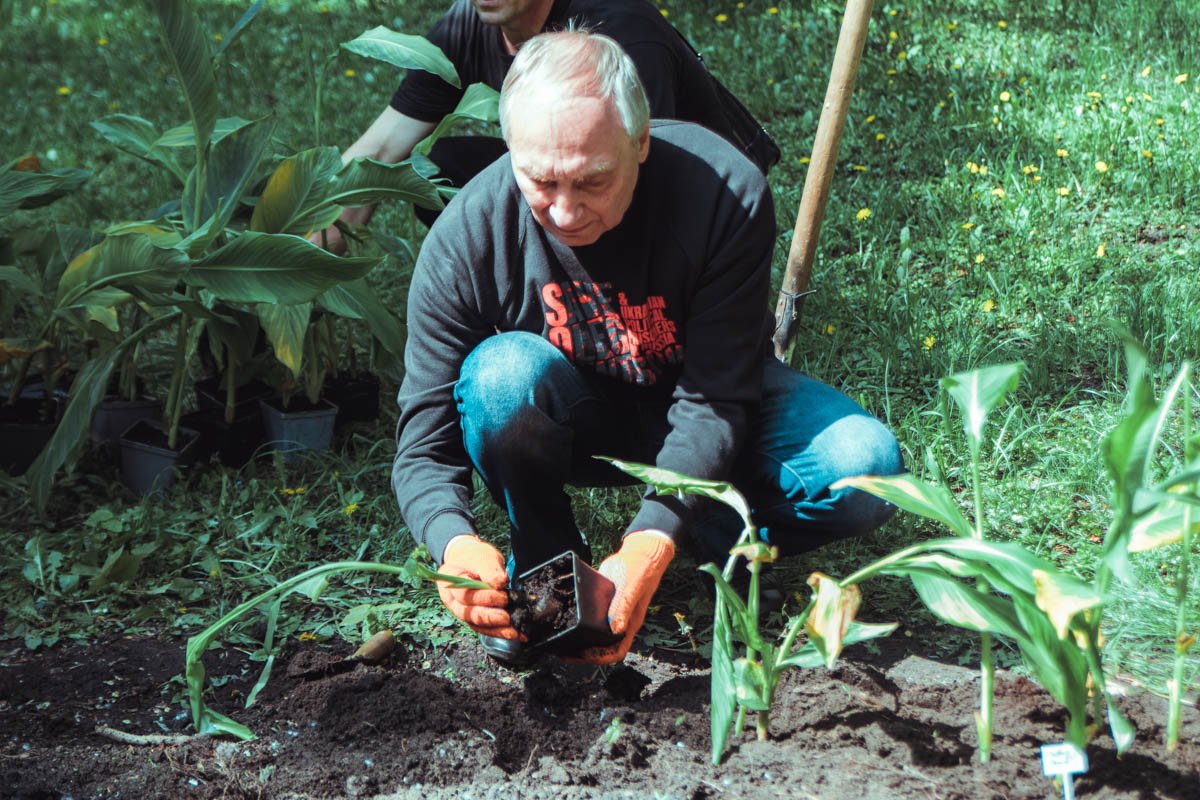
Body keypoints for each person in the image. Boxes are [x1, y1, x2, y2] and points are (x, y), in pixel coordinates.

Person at [391, 31, 902, 667]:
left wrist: (652, 539)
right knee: (500, 379)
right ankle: (550, 568)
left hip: (702, 396)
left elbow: (716, 400)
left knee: (867, 471)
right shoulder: (467, 237)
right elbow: (424, 441)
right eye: (541, 180)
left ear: (640, 141)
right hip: (573, 413)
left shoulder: (722, 192)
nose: (566, 211)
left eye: (593, 181)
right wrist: (452, 544)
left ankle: (712, 530)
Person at [314, 0, 778, 252]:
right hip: (584, 184)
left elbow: (652, 178)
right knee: (440, 169)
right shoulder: (468, 26)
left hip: (690, 202)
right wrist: (300, 245)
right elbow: (381, 151)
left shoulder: (621, 33)